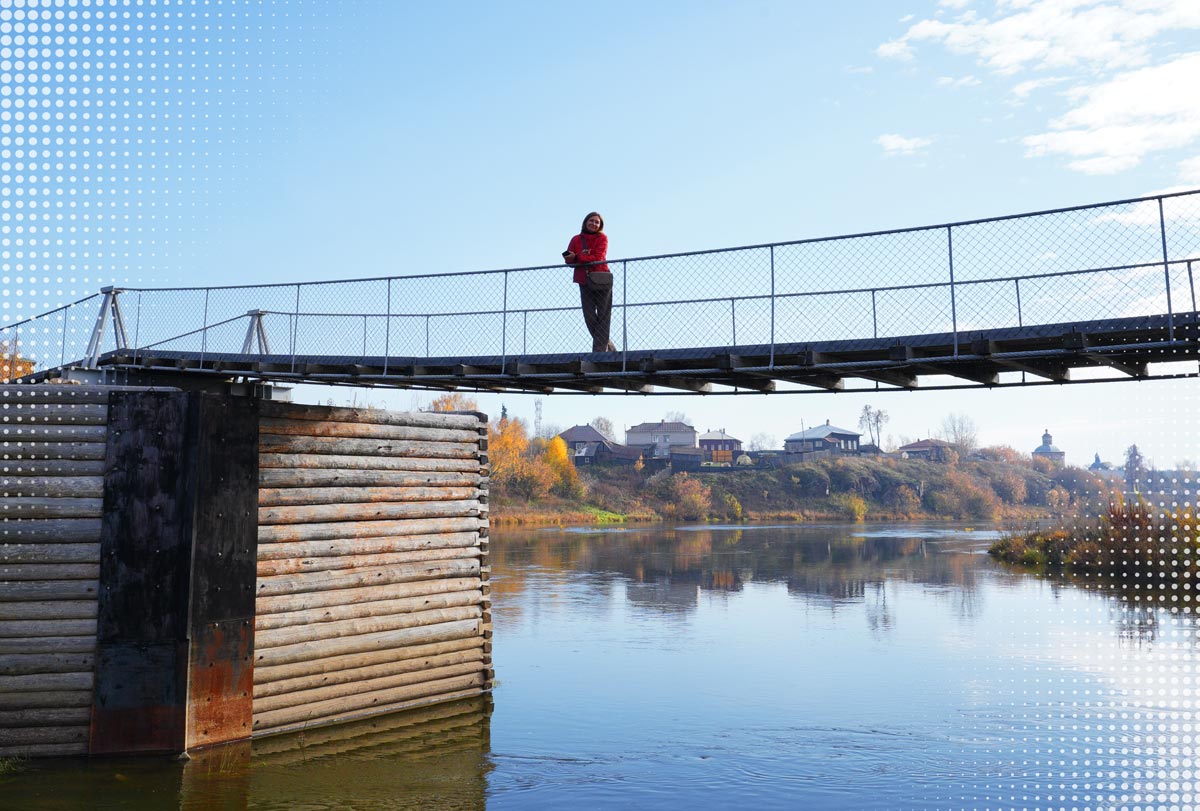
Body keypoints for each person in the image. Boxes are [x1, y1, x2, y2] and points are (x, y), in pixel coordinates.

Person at [563, 211, 616, 352]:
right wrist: (576, 257)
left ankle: (599, 351)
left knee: (604, 315)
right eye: (591, 221)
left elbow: (598, 257)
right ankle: (609, 346)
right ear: (585, 222)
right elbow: (570, 261)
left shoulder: (602, 238)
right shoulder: (576, 239)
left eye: (597, 222)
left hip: (601, 278)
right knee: (589, 317)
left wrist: (579, 257)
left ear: (600, 225)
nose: (593, 224)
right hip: (583, 280)